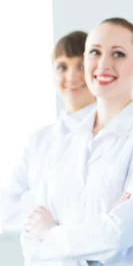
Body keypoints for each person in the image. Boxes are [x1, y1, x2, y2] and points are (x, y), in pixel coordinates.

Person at [20, 18, 133, 265]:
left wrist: (50, 235)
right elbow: (31, 239)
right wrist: (98, 229)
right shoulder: (63, 142)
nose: (103, 64)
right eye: (95, 52)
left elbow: (118, 234)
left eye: (118, 54)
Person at [0, 31, 96, 233]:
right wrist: (42, 224)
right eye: (62, 67)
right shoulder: (38, 140)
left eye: (81, 65)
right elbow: (5, 210)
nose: (72, 76)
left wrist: (56, 225)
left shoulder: (114, 130)